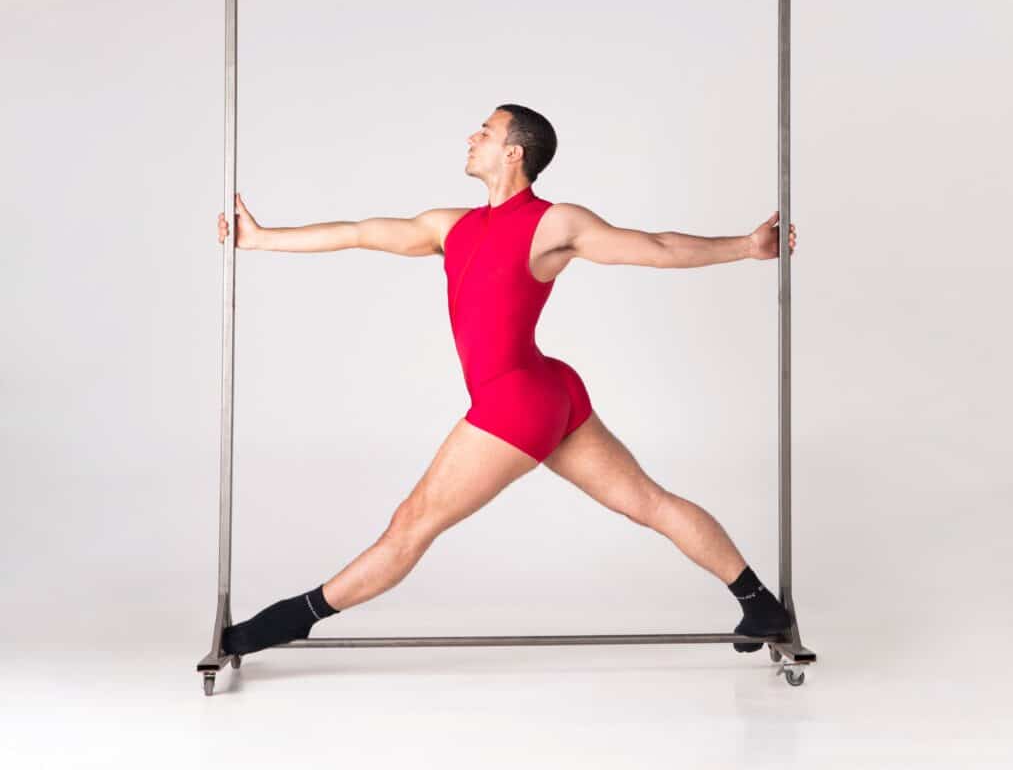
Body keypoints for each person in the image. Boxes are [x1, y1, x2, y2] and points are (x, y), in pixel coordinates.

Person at [215, 103, 798, 657]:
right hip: (547, 391)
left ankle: (286, 622)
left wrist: (747, 247)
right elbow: (358, 232)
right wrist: (262, 238)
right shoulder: (450, 226)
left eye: (486, 132)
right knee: (648, 502)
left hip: (515, 401)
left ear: (514, 152)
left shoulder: (554, 223)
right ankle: (760, 605)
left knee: (411, 525)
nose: (472, 138)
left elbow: (656, 247)